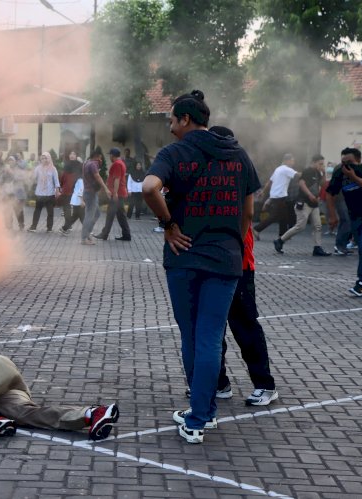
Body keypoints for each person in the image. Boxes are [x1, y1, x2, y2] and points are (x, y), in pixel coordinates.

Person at [142, 90, 260, 444]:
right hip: (225, 258)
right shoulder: (238, 154)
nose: (169, 127)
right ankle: (201, 413)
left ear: (186, 120)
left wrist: (169, 226)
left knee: (193, 335)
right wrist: (233, 244)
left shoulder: (174, 153)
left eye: (172, 120)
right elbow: (249, 212)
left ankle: (199, 417)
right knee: (210, 336)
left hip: (185, 256)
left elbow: (149, 187)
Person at [207, 125, 279, 407]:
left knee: (244, 324)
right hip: (213, 260)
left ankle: (265, 384)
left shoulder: (238, 168)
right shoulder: (210, 171)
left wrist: (234, 247)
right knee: (213, 328)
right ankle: (219, 383)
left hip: (239, 262)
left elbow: (248, 212)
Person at [325, 147, 362, 297]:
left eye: (350, 162)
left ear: (358, 160)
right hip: (356, 217)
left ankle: (361, 284)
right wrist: (332, 215)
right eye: (343, 162)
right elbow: (330, 194)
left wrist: (354, 177)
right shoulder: (340, 173)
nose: (347, 166)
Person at [273, 154, 332, 256]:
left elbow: (322, 184)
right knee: (300, 226)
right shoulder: (308, 171)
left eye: (323, 164)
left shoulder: (318, 172)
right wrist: (309, 195)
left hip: (314, 203)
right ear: (314, 163)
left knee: (317, 226)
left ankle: (317, 247)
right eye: (320, 164)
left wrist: (323, 173)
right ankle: (280, 240)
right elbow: (302, 183)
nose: (321, 165)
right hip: (304, 202)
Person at [253, 154, 298, 238]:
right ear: (287, 160)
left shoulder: (278, 169)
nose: (293, 162)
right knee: (275, 216)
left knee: (283, 216)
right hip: (280, 196)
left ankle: (283, 235)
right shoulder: (286, 169)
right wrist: (307, 174)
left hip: (275, 195)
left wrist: (263, 192)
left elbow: (269, 182)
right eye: (292, 160)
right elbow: (297, 175)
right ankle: (257, 229)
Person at [93, 148, 131, 241]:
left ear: (113, 155)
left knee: (110, 214)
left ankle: (104, 234)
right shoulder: (121, 162)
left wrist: (114, 193)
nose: (109, 156)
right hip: (120, 193)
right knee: (121, 215)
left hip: (117, 194)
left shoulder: (117, 164)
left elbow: (117, 179)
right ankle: (126, 235)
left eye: (110, 154)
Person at [80, 150, 111, 245]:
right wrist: (106, 189)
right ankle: (84, 238)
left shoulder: (87, 162)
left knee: (97, 213)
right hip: (90, 193)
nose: (101, 160)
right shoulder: (93, 164)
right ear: (97, 156)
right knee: (89, 215)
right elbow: (97, 177)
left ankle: (87, 232)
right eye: (100, 158)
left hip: (90, 192)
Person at [27, 152, 60, 232]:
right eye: (42, 158)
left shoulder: (53, 169)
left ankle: (49, 228)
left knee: (50, 212)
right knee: (37, 211)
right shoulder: (38, 168)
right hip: (40, 194)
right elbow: (33, 178)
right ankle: (33, 227)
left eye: (46, 158)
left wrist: (57, 191)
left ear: (49, 159)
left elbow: (56, 181)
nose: (44, 160)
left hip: (50, 193)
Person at [59, 162, 85, 234]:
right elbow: (80, 191)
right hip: (78, 201)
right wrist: (82, 201)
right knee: (82, 216)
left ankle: (64, 228)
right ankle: (88, 230)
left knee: (75, 216)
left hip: (75, 201)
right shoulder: (80, 180)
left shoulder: (78, 178)